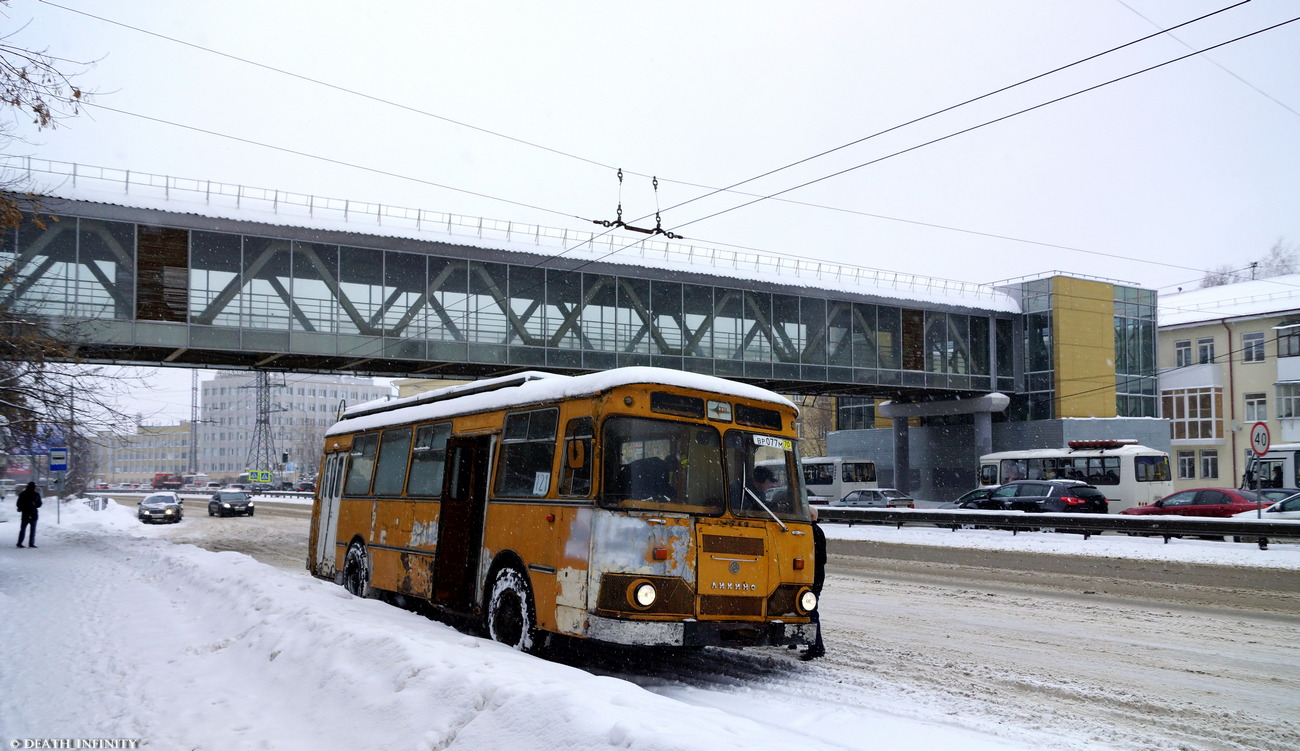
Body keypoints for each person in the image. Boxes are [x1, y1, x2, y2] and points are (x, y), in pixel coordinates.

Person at [801, 505, 826, 661]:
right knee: (810, 612)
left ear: (810, 517)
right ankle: (814, 646)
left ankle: (816, 647)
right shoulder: (816, 531)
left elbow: (818, 558)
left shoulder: (812, 532)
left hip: (813, 579)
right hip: (816, 578)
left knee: (811, 613)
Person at [16, 481, 42, 548]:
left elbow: (18, 504)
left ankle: (19, 543)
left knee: (23, 529)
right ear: (34, 487)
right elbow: (39, 504)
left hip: (25, 514)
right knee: (32, 529)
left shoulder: (23, 494)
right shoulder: (36, 494)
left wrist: (23, 508)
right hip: (33, 513)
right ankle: (31, 543)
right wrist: (34, 505)